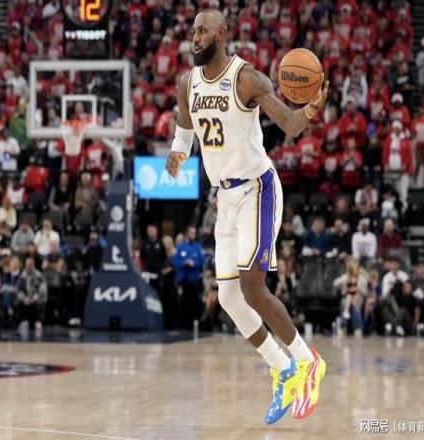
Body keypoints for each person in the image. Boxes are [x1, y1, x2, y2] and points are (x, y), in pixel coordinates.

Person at [165, 10, 327, 423]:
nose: (195, 37)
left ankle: (307, 361)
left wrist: (309, 110)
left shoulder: (247, 79)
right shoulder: (187, 83)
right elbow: (185, 130)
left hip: (258, 188)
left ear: (221, 34)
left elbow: (289, 124)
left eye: (203, 31)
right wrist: (177, 153)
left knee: (253, 288)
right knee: (228, 297)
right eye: (193, 31)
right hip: (225, 197)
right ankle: (282, 368)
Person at [172, 226, 204, 329]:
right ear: (187, 234)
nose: (193, 235)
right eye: (191, 233)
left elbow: (201, 261)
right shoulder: (180, 247)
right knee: (182, 303)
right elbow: (175, 261)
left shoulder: (198, 247)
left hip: (193, 280)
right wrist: (184, 262)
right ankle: (182, 325)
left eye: (194, 233)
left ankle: (193, 325)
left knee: (193, 303)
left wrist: (193, 263)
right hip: (183, 279)